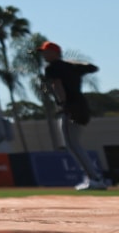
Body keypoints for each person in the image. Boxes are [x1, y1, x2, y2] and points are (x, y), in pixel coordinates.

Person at [38, 42, 110, 190]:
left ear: (55, 52)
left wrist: (63, 105)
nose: (44, 55)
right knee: (75, 144)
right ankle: (93, 177)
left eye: (47, 51)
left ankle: (94, 178)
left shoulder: (52, 68)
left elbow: (57, 85)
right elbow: (92, 67)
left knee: (72, 144)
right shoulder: (71, 66)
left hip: (70, 107)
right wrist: (71, 63)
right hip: (82, 107)